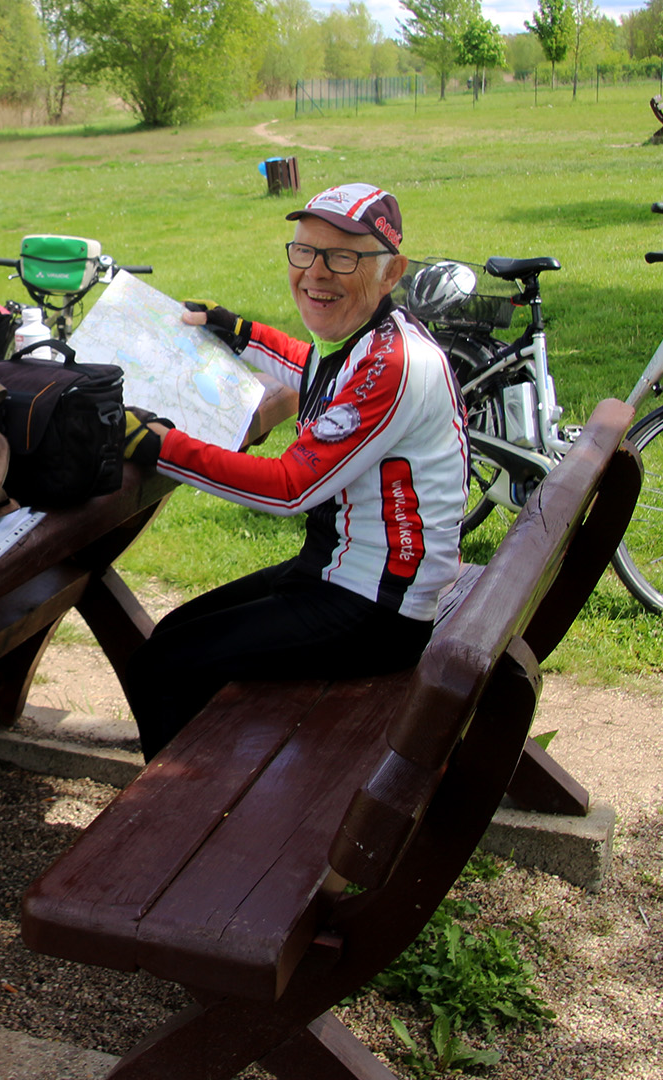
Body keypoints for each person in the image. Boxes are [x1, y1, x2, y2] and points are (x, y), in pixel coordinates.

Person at [118, 183, 468, 759]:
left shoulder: (396, 364)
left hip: (376, 610)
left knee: (164, 666)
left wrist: (159, 446)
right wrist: (244, 334)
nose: (315, 273)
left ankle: (187, 825)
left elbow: (289, 489)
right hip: (343, 575)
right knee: (172, 639)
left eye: (343, 257)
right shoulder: (373, 338)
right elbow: (311, 368)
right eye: (304, 252)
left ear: (391, 272)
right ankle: (200, 790)